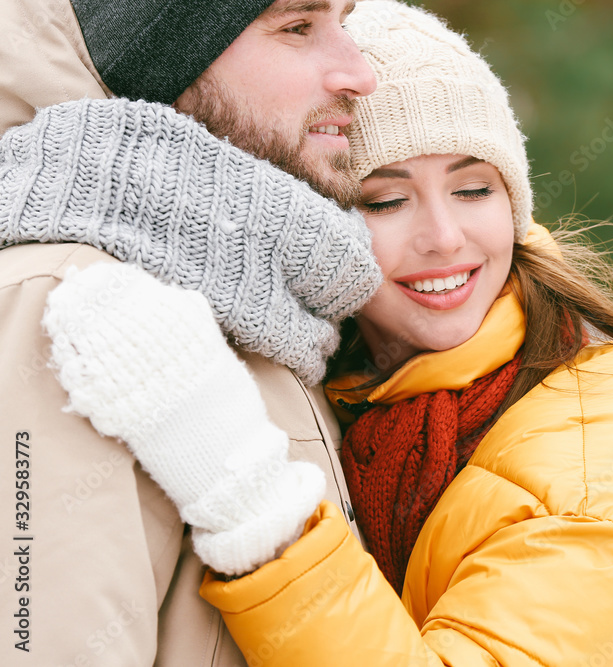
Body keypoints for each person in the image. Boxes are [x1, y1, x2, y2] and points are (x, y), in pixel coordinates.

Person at [42, 1, 613, 665]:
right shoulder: (354, 394)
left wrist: (254, 504)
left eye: (474, 189)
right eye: (385, 201)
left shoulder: (600, 448)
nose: (443, 238)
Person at [0, 0, 382, 664]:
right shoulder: (67, 302)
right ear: (159, 58)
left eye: (344, 24)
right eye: (298, 27)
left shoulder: (257, 296)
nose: (360, 72)